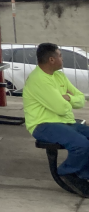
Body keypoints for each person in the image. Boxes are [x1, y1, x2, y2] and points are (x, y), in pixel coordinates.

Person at [24, 42, 89, 196]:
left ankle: (84, 174)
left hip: (65, 122)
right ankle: (67, 172)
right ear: (51, 60)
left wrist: (67, 98)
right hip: (43, 125)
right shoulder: (38, 80)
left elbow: (81, 99)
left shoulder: (59, 76)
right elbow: (60, 108)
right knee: (81, 144)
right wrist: (68, 100)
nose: (62, 58)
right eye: (60, 55)